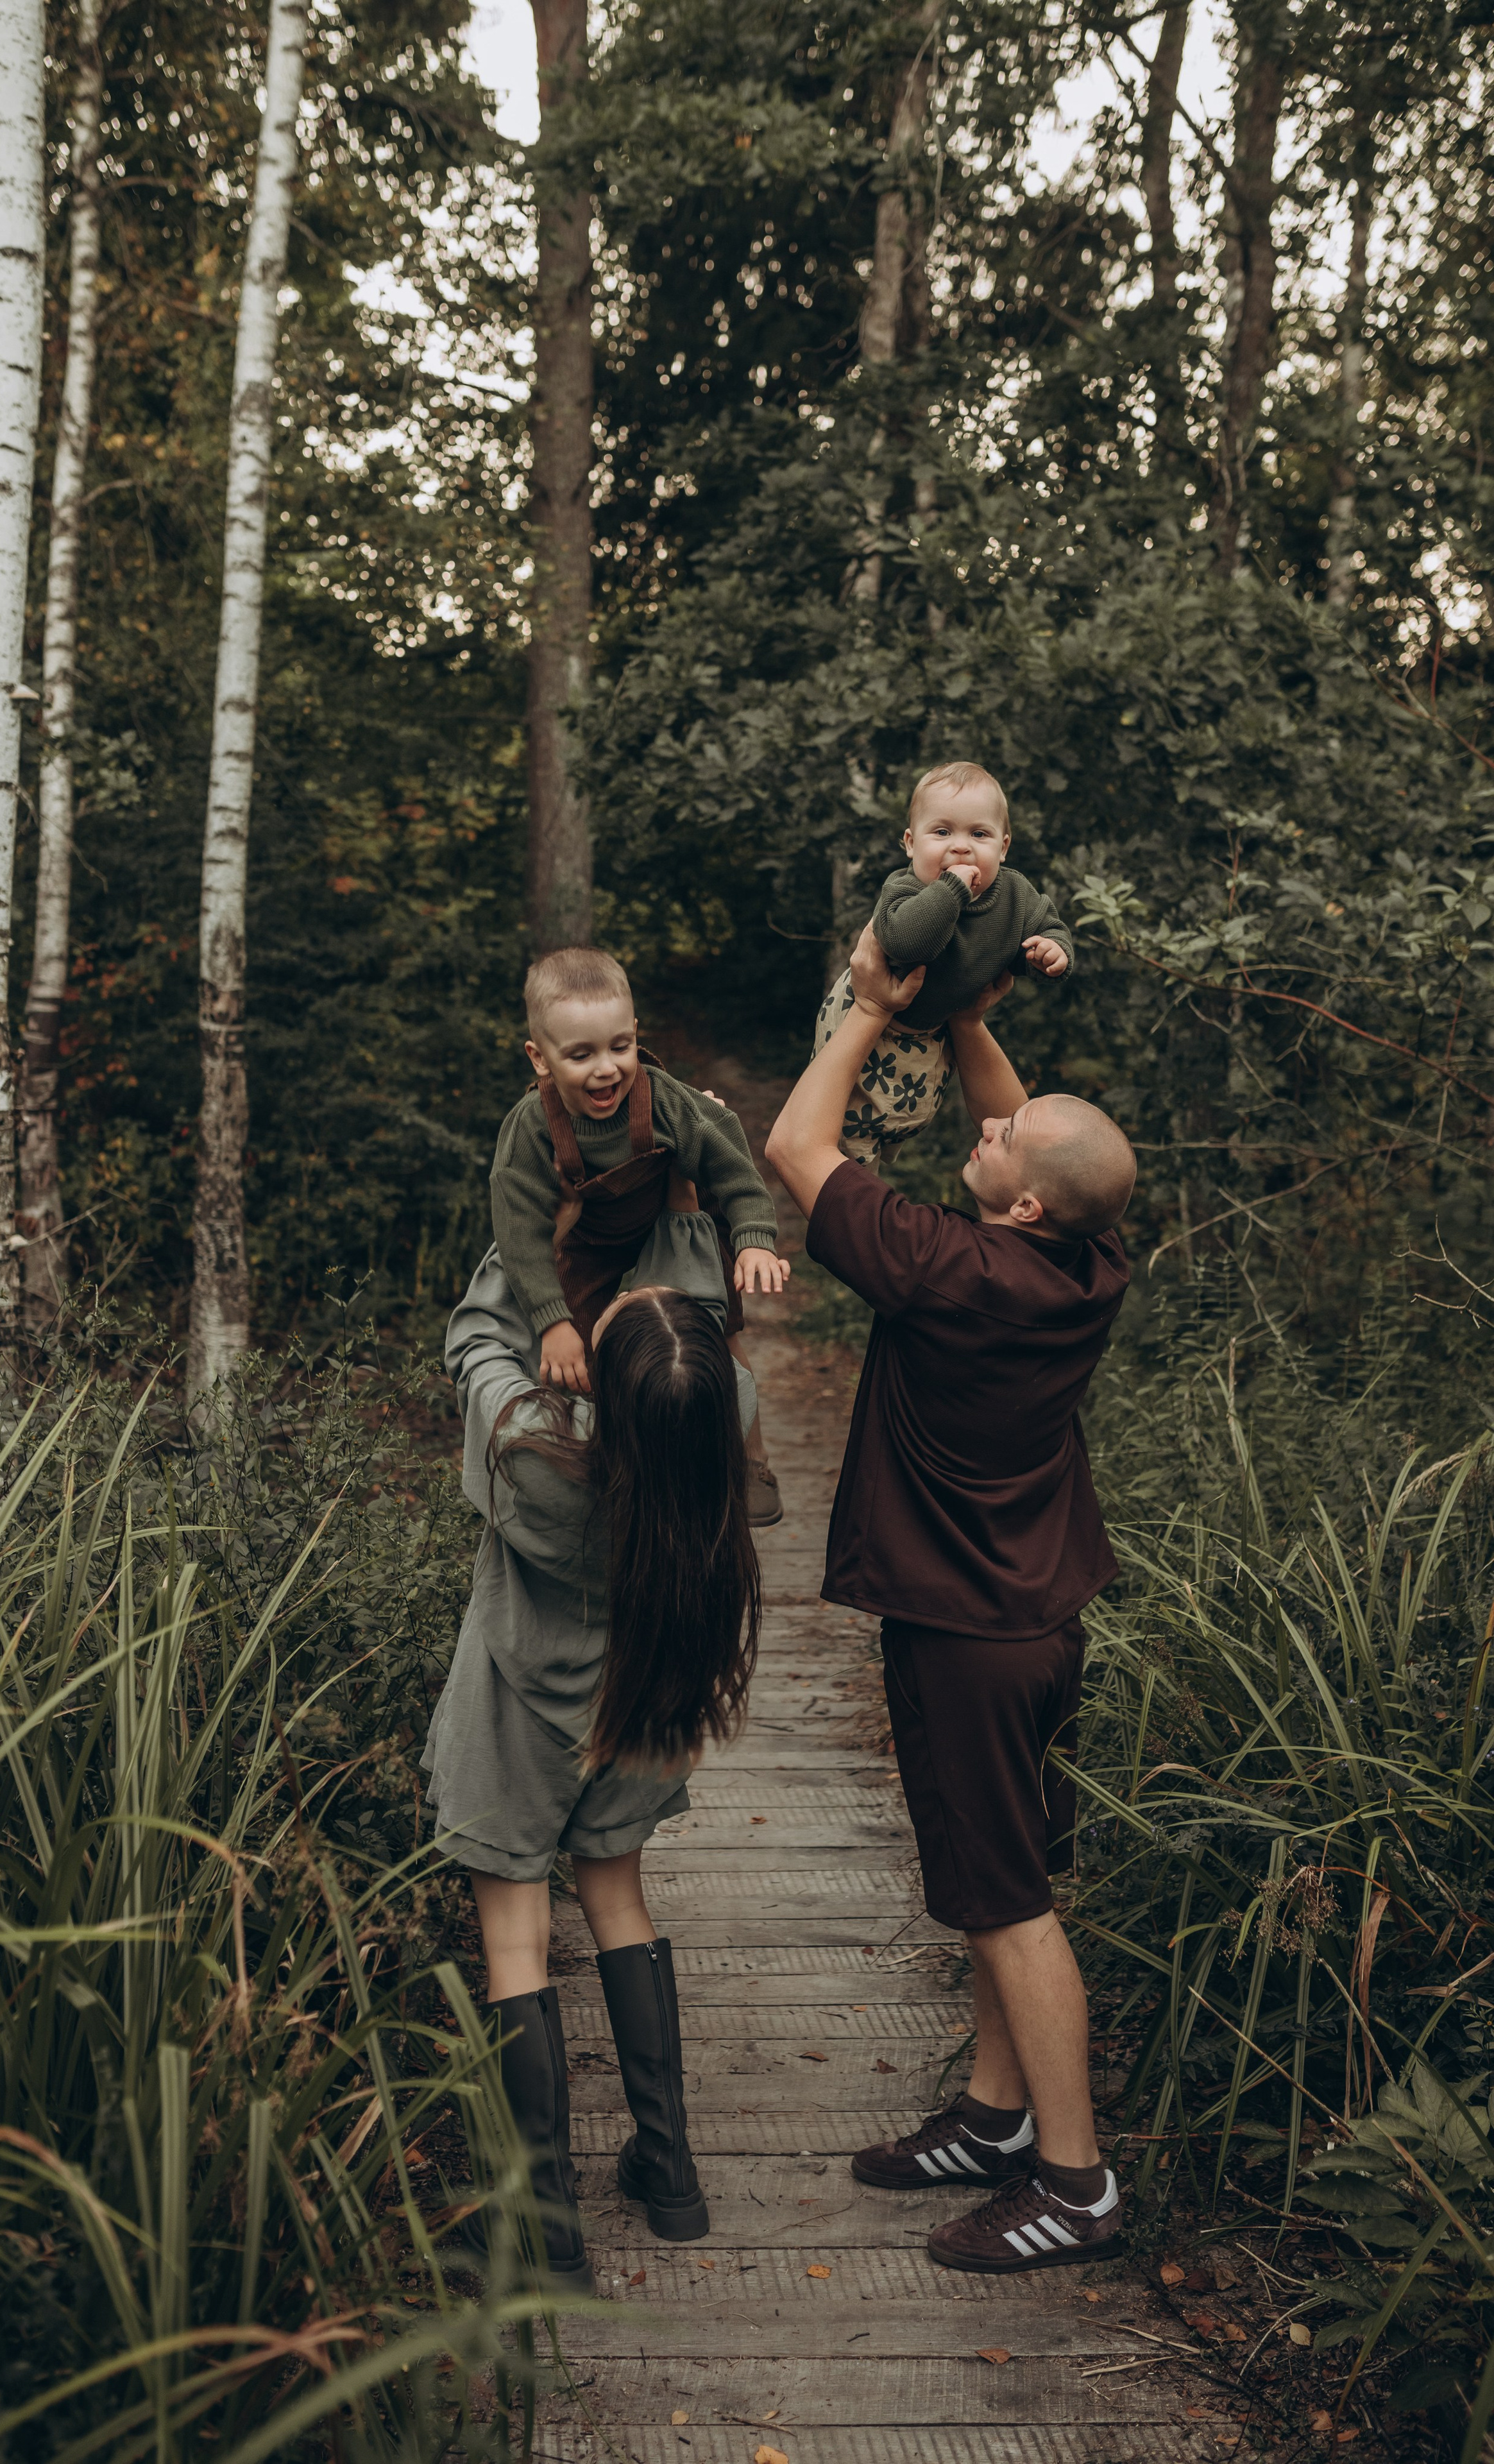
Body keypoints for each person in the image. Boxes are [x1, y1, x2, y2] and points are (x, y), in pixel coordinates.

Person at [767, 926, 1136, 2275]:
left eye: (1001, 1143)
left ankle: (1073, 2181)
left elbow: (796, 1153)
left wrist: (866, 1012)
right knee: (1010, 1870)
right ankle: (993, 2119)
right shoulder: (1083, 1266)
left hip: (969, 1640)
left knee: (1004, 1904)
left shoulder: (947, 1270)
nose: (985, 1129)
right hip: (1038, 1619)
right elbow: (1034, 1142)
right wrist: (972, 1013)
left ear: (1018, 1204)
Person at [423, 1215, 761, 2289]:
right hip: (643, 1700)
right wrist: (674, 1204)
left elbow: (478, 1337)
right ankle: (670, 2176)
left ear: (599, 1391)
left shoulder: (534, 1447)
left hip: (521, 1714)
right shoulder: (719, 1420)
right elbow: (691, 1333)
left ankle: (543, 2228)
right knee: (618, 1899)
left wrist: (535, 1221)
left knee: (516, 1939)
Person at [491, 943, 790, 1524]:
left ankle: (749, 1457)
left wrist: (755, 1234)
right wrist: (551, 1321)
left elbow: (732, 1164)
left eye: (620, 1046)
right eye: (581, 1055)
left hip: (670, 1224)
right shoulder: (532, 1127)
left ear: (635, 1033)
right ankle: (621, 1463)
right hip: (591, 1245)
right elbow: (519, 1227)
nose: (607, 1068)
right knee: (578, 1358)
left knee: (712, 1329)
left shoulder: (665, 1101)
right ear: (540, 1058)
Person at [812, 761, 1074, 1167]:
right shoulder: (905, 889)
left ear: (1003, 848)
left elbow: (1045, 928)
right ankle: (842, 1193)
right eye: (942, 832)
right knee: (847, 1118)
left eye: (979, 834)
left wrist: (1050, 953)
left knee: (906, 1114)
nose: (961, 846)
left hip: (934, 1030)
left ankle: (879, 1159)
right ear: (910, 843)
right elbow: (904, 944)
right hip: (865, 1014)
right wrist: (952, 890)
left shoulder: (1015, 895)